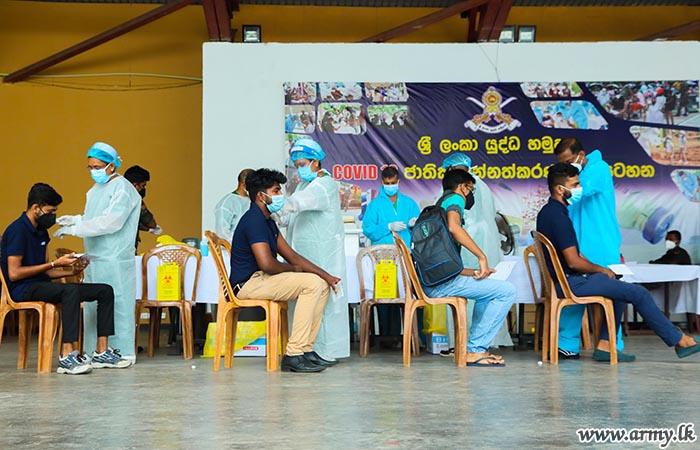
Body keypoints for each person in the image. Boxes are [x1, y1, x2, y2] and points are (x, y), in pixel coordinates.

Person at [536, 163, 700, 362]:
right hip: (571, 283)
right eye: (575, 185)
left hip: (566, 281)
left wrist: (600, 270)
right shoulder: (559, 218)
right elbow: (573, 262)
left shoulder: (548, 213)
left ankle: (606, 345)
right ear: (560, 189)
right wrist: (601, 270)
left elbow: (574, 255)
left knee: (619, 289)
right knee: (639, 293)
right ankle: (680, 340)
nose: (580, 189)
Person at [1, 183, 132, 374]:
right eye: (50, 211)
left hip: (40, 284)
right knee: (69, 291)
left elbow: (45, 272)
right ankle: (67, 356)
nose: (53, 216)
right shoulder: (17, 230)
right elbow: (14, 273)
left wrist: (71, 271)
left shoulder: (41, 231)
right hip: (22, 289)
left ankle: (102, 351)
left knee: (105, 290)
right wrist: (55, 264)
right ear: (36, 207)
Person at [230, 169, 340, 373]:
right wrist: (294, 270)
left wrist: (327, 276)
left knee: (322, 284)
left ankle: (305, 349)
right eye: (276, 191)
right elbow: (267, 264)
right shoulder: (253, 220)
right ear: (261, 196)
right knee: (311, 284)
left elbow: (293, 256)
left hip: (261, 279)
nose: (281, 195)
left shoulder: (268, 221)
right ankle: (293, 354)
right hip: (247, 284)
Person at [54, 142, 141, 364]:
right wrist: (75, 220)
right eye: (90, 167)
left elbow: (111, 222)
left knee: (118, 303)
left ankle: (121, 350)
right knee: (93, 306)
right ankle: (96, 351)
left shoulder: (123, 189)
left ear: (112, 166)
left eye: (98, 167)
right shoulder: (94, 191)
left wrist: (76, 229)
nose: (94, 171)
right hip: (95, 258)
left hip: (115, 258)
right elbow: (93, 217)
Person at [420, 170, 516, 366]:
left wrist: (474, 272)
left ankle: (474, 347)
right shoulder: (455, 199)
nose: (471, 194)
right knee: (507, 291)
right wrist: (482, 257)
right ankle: (475, 349)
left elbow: (444, 263)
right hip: (441, 285)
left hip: (433, 282)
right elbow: (455, 227)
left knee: (487, 290)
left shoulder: (438, 207)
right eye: (471, 189)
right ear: (462, 187)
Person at [277, 138, 350, 359]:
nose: (299, 170)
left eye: (302, 164)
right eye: (296, 165)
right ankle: (304, 349)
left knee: (324, 306)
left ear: (316, 162)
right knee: (304, 305)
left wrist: (274, 202)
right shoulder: (303, 185)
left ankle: (326, 353)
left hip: (323, 256)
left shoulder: (325, 184)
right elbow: (291, 215)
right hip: (303, 257)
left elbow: (299, 202)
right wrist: (276, 215)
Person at [554, 137, 623, 359]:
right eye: (562, 163)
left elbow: (584, 190)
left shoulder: (599, 168)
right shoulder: (573, 176)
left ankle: (611, 345)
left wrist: (560, 189)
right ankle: (567, 345)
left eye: (568, 161)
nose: (566, 166)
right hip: (577, 245)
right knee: (573, 295)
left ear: (581, 155)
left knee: (611, 296)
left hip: (602, 244)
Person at [440, 153, 513, 356]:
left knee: (473, 292)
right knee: (486, 291)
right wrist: (482, 256)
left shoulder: (454, 192)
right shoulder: (477, 187)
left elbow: (454, 226)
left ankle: (464, 343)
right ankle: (476, 344)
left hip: (468, 246)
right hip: (477, 246)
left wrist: (479, 256)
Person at [362, 165, 420, 344]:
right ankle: (387, 337)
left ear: (398, 182)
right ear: (382, 182)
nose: (390, 186)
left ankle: (408, 338)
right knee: (385, 295)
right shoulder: (375, 205)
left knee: (406, 295)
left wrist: (415, 224)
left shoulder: (409, 203)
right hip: (382, 258)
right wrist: (387, 227)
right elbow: (368, 229)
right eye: (387, 183)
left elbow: (420, 227)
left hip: (404, 255)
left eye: (393, 182)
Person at [124, 165, 162, 252]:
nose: (143, 189)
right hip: (127, 248)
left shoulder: (114, 195)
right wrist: (140, 201)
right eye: (143, 186)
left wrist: (147, 229)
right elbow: (151, 223)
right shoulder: (134, 199)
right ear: (135, 185)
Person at [214, 168, 253, 243]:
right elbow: (222, 232)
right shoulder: (227, 203)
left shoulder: (254, 201)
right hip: (233, 247)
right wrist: (241, 244)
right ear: (244, 184)